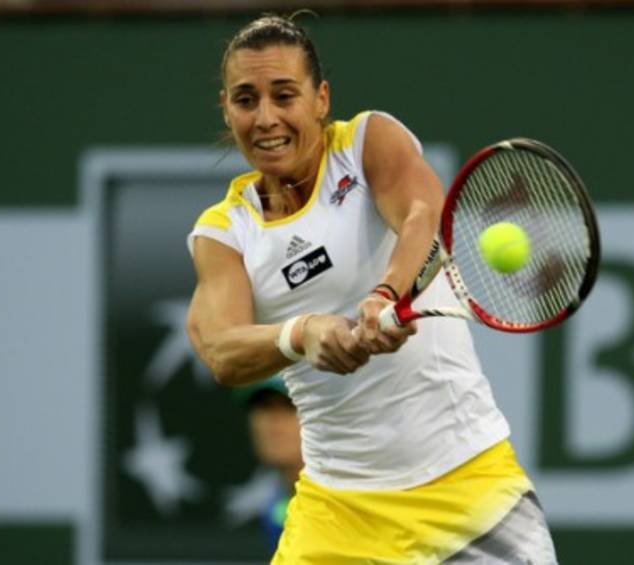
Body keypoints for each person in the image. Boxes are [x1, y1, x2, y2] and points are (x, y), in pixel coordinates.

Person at [186, 13, 558, 564]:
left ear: (321, 98)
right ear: (226, 108)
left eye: (284, 95)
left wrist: (385, 293)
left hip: (466, 489)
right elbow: (221, 349)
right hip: (337, 514)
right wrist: (302, 333)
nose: (265, 118)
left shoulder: (366, 143)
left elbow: (422, 214)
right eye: (246, 100)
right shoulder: (224, 232)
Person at [240, 377, 303, 552]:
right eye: (264, 407)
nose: (273, 422)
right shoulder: (275, 505)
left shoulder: (345, 501)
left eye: (290, 406)